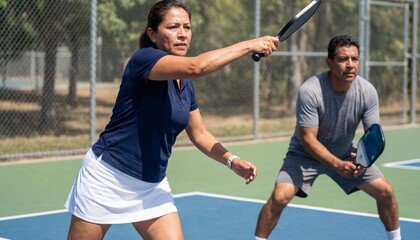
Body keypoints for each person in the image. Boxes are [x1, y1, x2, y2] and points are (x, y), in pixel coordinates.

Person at [65, 0, 279, 239]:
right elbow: (197, 66)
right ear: (152, 34)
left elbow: (199, 133)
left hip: (151, 186)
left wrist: (231, 160)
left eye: (187, 27)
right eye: (173, 27)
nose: (182, 34)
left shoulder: (183, 82)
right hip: (108, 177)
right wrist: (249, 44)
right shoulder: (144, 59)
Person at [253, 35, 401, 240]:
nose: (350, 65)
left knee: (385, 191)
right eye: (343, 59)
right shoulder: (311, 91)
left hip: (344, 153)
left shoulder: (367, 91)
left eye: (355, 59)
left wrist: (364, 161)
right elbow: (308, 140)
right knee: (279, 197)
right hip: (304, 156)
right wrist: (337, 164)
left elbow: (372, 135)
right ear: (329, 62)